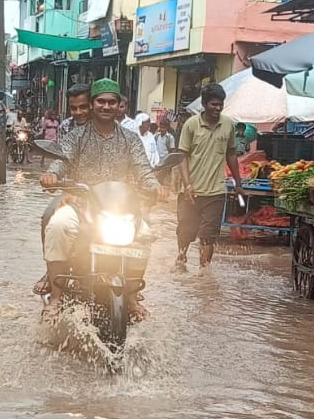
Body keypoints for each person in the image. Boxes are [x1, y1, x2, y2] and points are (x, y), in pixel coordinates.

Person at [39, 78, 163, 315]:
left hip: (119, 210)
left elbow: (144, 170)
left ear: (119, 106)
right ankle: (56, 297)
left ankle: (133, 296)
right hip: (80, 205)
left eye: (111, 102)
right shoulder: (75, 136)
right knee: (56, 225)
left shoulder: (131, 139)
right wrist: (51, 175)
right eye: (101, 101)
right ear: (93, 104)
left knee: (146, 234)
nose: (106, 107)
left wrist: (156, 186)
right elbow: (60, 161)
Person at [176, 82, 243, 271]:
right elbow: (182, 156)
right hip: (191, 191)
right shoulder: (191, 125)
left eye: (221, 103)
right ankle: (180, 261)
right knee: (185, 231)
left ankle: (204, 273)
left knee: (208, 235)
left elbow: (231, 154)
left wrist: (238, 183)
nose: (218, 107)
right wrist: (187, 185)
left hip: (216, 191)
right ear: (204, 104)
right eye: (214, 104)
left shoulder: (228, 124)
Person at [35, 86, 94, 296]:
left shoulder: (110, 128)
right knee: (49, 216)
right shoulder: (67, 127)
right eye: (73, 108)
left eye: (83, 107)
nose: (78, 112)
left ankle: (131, 286)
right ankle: (51, 271)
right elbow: (62, 159)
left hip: (106, 195)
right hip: (73, 189)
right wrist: (53, 176)